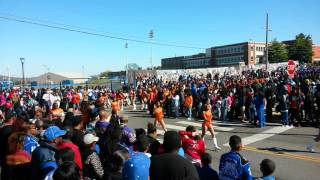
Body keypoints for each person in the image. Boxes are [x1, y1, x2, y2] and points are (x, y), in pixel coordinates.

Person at [0, 111, 17, 180]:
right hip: (8, 157)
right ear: (12, 118)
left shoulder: (2, 127)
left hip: (3, 157)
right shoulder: (10, 130)